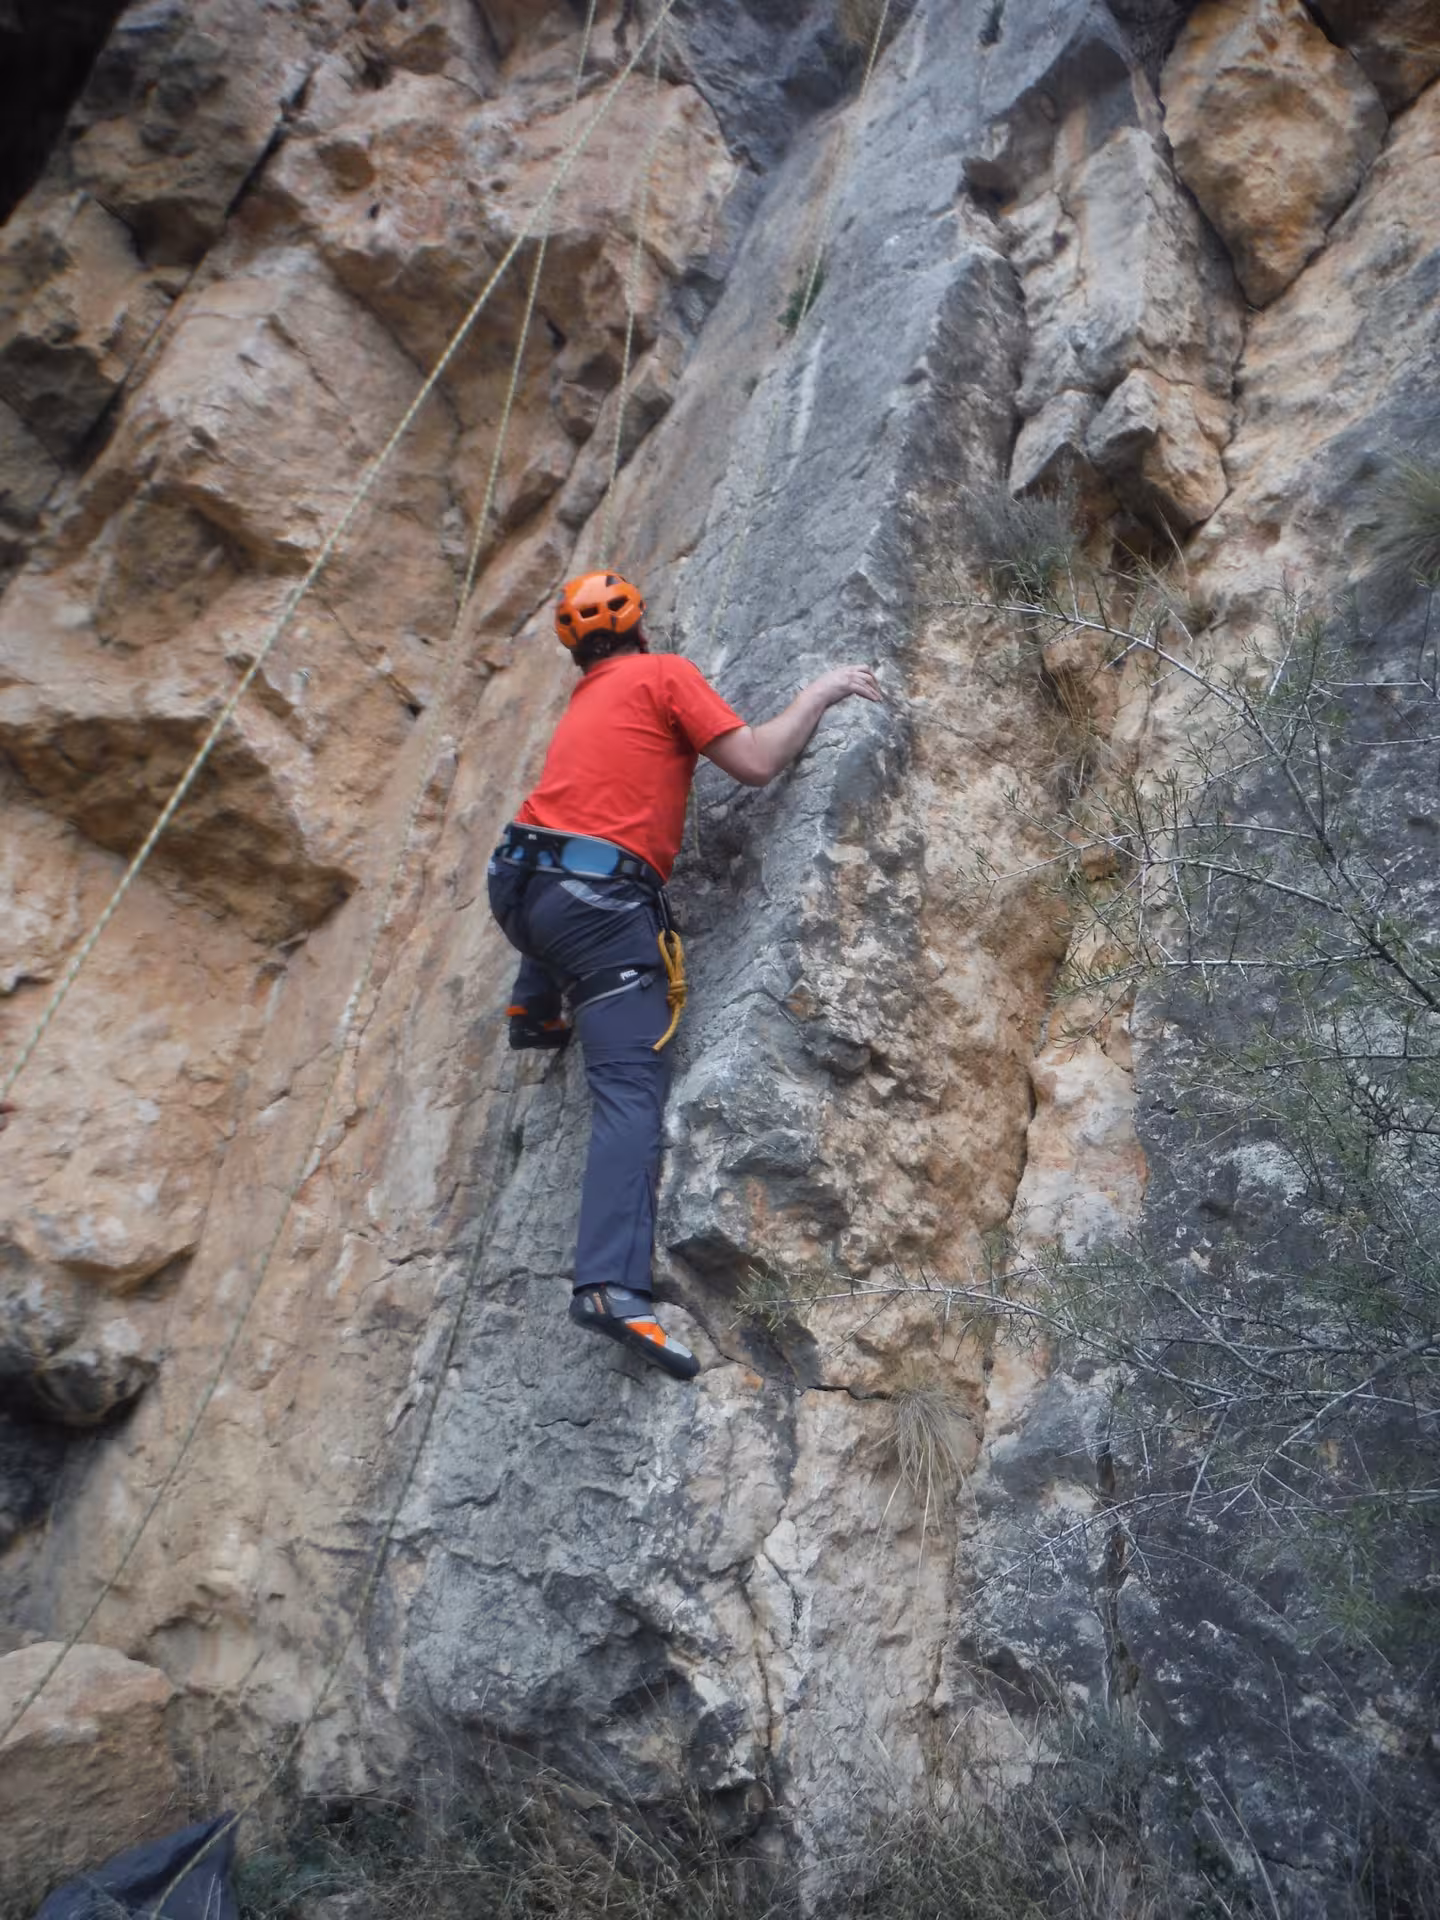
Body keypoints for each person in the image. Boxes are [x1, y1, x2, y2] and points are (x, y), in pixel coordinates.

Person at [487, 569, 882, 1381]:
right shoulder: (662, 673)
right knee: (631, 1088)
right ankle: (608, 1287)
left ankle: (536, 1006)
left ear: (578, 651)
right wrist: (821, 692)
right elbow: (758, 761)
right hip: (598, 907)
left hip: (521, 887)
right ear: (642, 628)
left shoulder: (583, 703)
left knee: (563, 880)